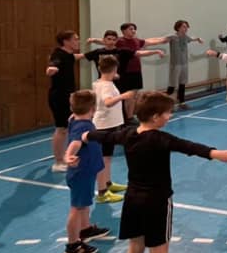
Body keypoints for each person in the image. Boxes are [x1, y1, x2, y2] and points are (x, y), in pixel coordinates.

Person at [78, 92, 227, 253]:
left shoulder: (128, 134)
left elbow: (104, 136)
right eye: (167, 113)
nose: (169, 116)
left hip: (133, 201)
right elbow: (188, 146)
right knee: (159, 252)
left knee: (135, 248)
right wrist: (216, 154)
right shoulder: (161, 139)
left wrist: (85, 136)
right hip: (157, 202)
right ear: (155, 117)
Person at [61, 89, 110, 253]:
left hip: (86, 172)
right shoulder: (84, 126)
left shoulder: (73, 119)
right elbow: (75, 143)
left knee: (84, 204)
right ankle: (72, 245)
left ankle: (85, 229)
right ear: (93, 108)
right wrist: (68, 155)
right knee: (77, 207)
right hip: (81, 173)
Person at [91, 55, 136, 203]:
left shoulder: (100, 82)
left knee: (107, 158)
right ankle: (102, 192)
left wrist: (112, 75)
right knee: (104, 159)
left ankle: (108, 183)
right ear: (114, 69)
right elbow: (108, 102)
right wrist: (124, 96)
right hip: (105, 126)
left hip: (107, 124)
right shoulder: (107, 86)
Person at [110, 23, 170, 122]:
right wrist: (93, 40)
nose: (133, 31)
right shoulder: (120, 41)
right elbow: (105, 42)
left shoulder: (136, 41)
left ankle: (130, 116)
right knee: (127, 96)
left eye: (134, 29)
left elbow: (150, 41)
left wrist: (163, 39)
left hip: (136, 71)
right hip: (125, 72)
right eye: (131, 29)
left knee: (134, 95)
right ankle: (126, 118)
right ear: (124, 31)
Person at [46, 30, 86, 172]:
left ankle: (66, 156)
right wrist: (51, 69)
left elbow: (75, 57)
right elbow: (53, 64)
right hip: (59, 97)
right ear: (66, 41)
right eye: (75, 39)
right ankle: (58, 162)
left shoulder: (68, 55)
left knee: (69, 127)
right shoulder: (58, 54)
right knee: (61, 129)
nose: (78, 41)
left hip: (69, 96)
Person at [84, 30, 164, 78]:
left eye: (114, 40)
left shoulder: (123, 51)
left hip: (121, 81)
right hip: (104, 82)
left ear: (116, 41)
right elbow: (81, 56)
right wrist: (93, 39)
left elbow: (139, 52)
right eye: (109, 39)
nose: (111, 41)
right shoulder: (98, 52)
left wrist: (156, 51)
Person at [165, 20, 203, 110]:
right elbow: (162, 40)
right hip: (175, 65)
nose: (186, 29)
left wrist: (198, 39)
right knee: (172, 85)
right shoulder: (172, 37)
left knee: (182, 84)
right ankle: (166, 105)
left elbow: (191, 39)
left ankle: (182, 102)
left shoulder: (186, 37)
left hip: (184, 64)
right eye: (184, 27)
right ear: (178, 27)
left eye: (187, 27)